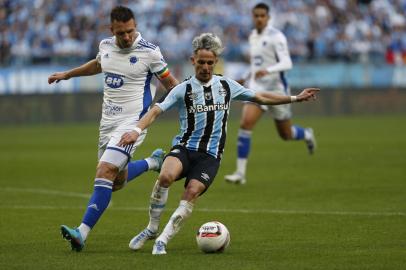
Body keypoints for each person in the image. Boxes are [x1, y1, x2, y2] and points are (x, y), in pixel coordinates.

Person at [117, 33, 319, 255]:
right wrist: (136, 130)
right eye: (201, 62)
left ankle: (162, 240)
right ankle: (151, 229)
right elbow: (156, 110)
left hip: (210, 157)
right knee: (165, 176)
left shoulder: (226, 85)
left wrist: (294, 98)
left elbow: (260, 97)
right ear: (193, 61)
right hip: (184, 148)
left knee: (191, 192)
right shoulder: (182, 89)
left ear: (215, 62)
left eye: (210, 62)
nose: (205, 67)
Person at [47, 6, 179, 252]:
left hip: (132, 125)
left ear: (135, 26)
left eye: (130, 31)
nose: (127, 37)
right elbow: (98, 65)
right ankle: (153, 162)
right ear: (112, 30)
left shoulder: (150, 53)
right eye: (121, 33)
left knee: (104, 171)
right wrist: (67, 74)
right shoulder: (105, 45)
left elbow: (173, 85)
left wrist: (156, 112)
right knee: (115, 181)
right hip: (106, 124)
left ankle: (81, 233)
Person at [224, 3, 317, 185]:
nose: (259, 19)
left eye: (262, 16)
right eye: (256, 15)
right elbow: (255, 65)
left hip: (277, 90)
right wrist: (245, 77)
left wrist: (268, 70)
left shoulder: (277, 37)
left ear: (268, 17)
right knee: (245, 123)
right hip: (257, 89)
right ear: (253, 17)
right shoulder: (252, 36)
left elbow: (287, 63)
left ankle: (306, 134)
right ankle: (240, 173)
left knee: (286, 134)